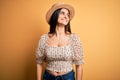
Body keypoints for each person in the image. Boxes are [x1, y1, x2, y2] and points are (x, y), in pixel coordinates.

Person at [36, 2, 84, 80]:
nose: (66, 17)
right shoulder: (44, 39)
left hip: (68, 77)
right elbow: (39, 63)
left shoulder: (74, 39)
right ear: (55, 15)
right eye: (62, 13)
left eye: (68, 15)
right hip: (48, 77)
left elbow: (79, 65)